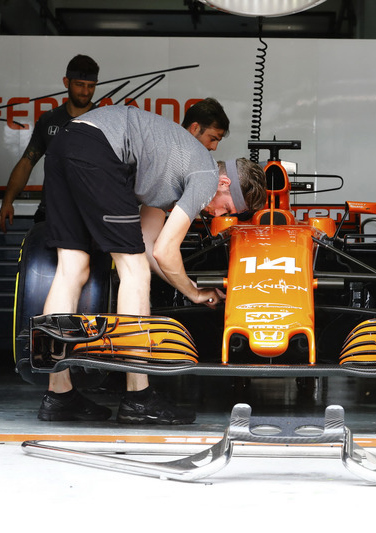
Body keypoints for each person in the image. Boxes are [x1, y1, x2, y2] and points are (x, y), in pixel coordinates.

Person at [37, 104, 267, 424]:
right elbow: (165, 253)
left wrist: (182, 284)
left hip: (65, 144)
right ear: (225, 184)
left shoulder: (170, 168)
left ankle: (58, 394)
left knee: (72, 267)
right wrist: (195, 292)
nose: (218, 215)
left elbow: (149, 248)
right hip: (98, 148)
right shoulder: (205, 174)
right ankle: (138, 398)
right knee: (133, 272)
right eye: (226, 208)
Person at [0, 54, 99, 232]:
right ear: (66, 82)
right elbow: (26, 162)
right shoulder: (49, 120)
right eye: (79, 85)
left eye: (91, 86)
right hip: (50, 212)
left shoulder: (105, 121)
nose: (85, 92)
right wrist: (7, 201)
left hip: (89, 214)